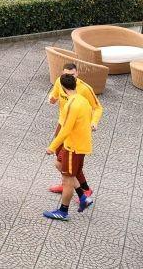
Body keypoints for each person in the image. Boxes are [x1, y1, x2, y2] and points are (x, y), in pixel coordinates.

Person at [45, 73, 95, 220]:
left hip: (73, 147)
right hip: (79, 145)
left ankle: (63, 211)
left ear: (62, 87)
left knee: (67, 180)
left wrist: (52, 147)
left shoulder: (71, 104)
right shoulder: (83, 100)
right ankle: (82, 196)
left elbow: (65, 129)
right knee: (59, 164)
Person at [47, 62, 101, 198]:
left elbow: (98, 107)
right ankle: (67, 182)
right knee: (62, 161)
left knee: (71, 161)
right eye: (66, 75)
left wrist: (94, 122)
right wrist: (52, 99)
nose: (69, 77)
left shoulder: (84, 89)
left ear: (77, 73)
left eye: (72, 75)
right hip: (62, 124)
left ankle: (85, 189)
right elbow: (54, 95)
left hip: (75, 129)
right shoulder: (60, 82)